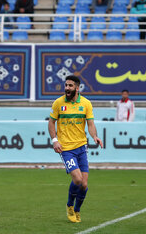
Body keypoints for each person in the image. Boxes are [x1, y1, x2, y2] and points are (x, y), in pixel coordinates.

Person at [48, 75, 103, 223]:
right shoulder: (58, 103)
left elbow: (90, 124)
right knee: (78, 179)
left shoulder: (86, 104)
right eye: (66, 85)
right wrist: (55, 141)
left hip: (81, 147)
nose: (67, 88)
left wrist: (95, 137)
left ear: (77, 88)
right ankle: (69, 205)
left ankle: (77, 210)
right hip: (66, 149)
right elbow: (51, 123)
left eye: (70, 86)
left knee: (84, 184)